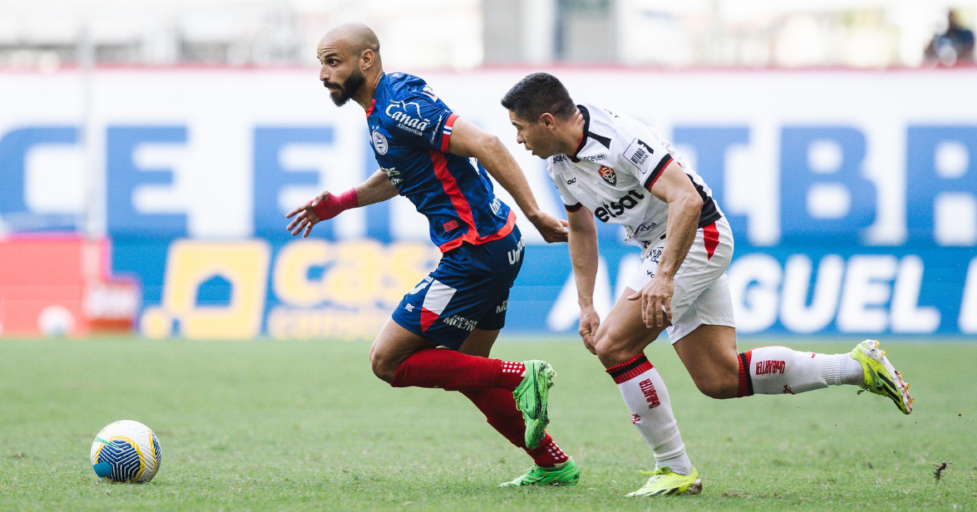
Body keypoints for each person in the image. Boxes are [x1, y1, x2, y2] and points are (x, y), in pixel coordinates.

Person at [500, 72, 914, 497]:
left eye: (520, 127)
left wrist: (663, 277)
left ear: (547, 121)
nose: (518, 139)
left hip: (698, 234)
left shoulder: (620, 138)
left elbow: (688, 200)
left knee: (613, 345)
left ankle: (674, 468)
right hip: (663, 249)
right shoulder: (559, 166)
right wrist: (586, 304)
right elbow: (581, 230)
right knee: (719, 378)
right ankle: (856, 367)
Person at [285, 24, 579, 487]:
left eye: (333, 61)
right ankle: (552, 463)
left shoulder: (399, 106)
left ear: (366, 59)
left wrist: (537, 213)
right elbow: (399, 171)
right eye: (320, 63)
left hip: (473, 252)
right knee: (471, 372)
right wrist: (339, 204)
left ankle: (523, 375)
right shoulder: (383, 108)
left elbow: (489, 145)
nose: (323, 74)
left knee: (387, 361)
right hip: (496, 246)